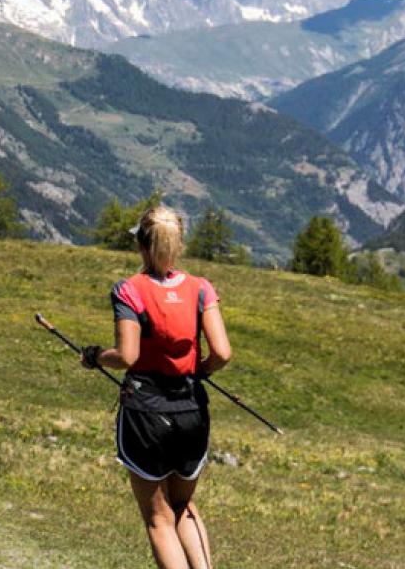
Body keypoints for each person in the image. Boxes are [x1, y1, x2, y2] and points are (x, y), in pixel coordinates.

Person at [81, 206, 232, 569]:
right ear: (177, 245)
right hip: (192, 411)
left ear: (142, 245)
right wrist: (201, 372)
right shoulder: (201, 289)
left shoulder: (129, 290)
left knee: (159, 517)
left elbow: (127, 356)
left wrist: (96, 356)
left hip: (146, 413)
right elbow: (223, 353)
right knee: (184, 508)